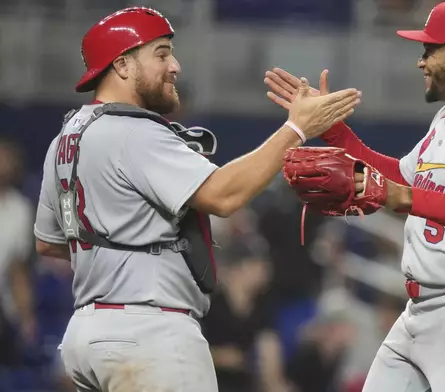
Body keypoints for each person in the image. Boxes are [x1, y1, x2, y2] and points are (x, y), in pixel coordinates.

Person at [32, 6, 360, 392]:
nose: (175, 66)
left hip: (87, 336)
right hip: (149, 334)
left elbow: (49, 243)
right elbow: (224, 195)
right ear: (121, 65)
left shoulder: (66, 138)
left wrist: (125, 243)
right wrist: (296, 128)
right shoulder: (133, 131)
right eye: (161, 53)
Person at [264, 1, 445, 391]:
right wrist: (334, 132)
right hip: (419, 309)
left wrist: (406, 198)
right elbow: (398, 177)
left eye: (431, 50)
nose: (421, 61)